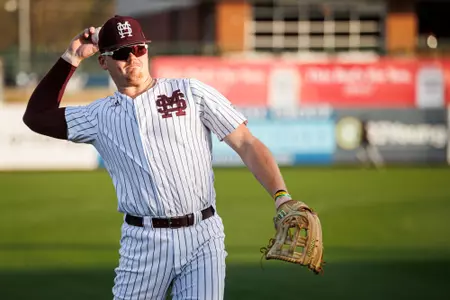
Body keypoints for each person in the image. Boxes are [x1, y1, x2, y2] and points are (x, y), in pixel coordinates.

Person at [23, 15, 295, 300]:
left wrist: (281, 196)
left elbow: (246, 143)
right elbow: (37, 116)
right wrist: (71, 57)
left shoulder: (191, 91)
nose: (133, 58)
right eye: (120, 52)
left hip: (204, 235)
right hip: (143, 242)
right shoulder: (97, 116)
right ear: (103, 61)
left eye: (139, 48)